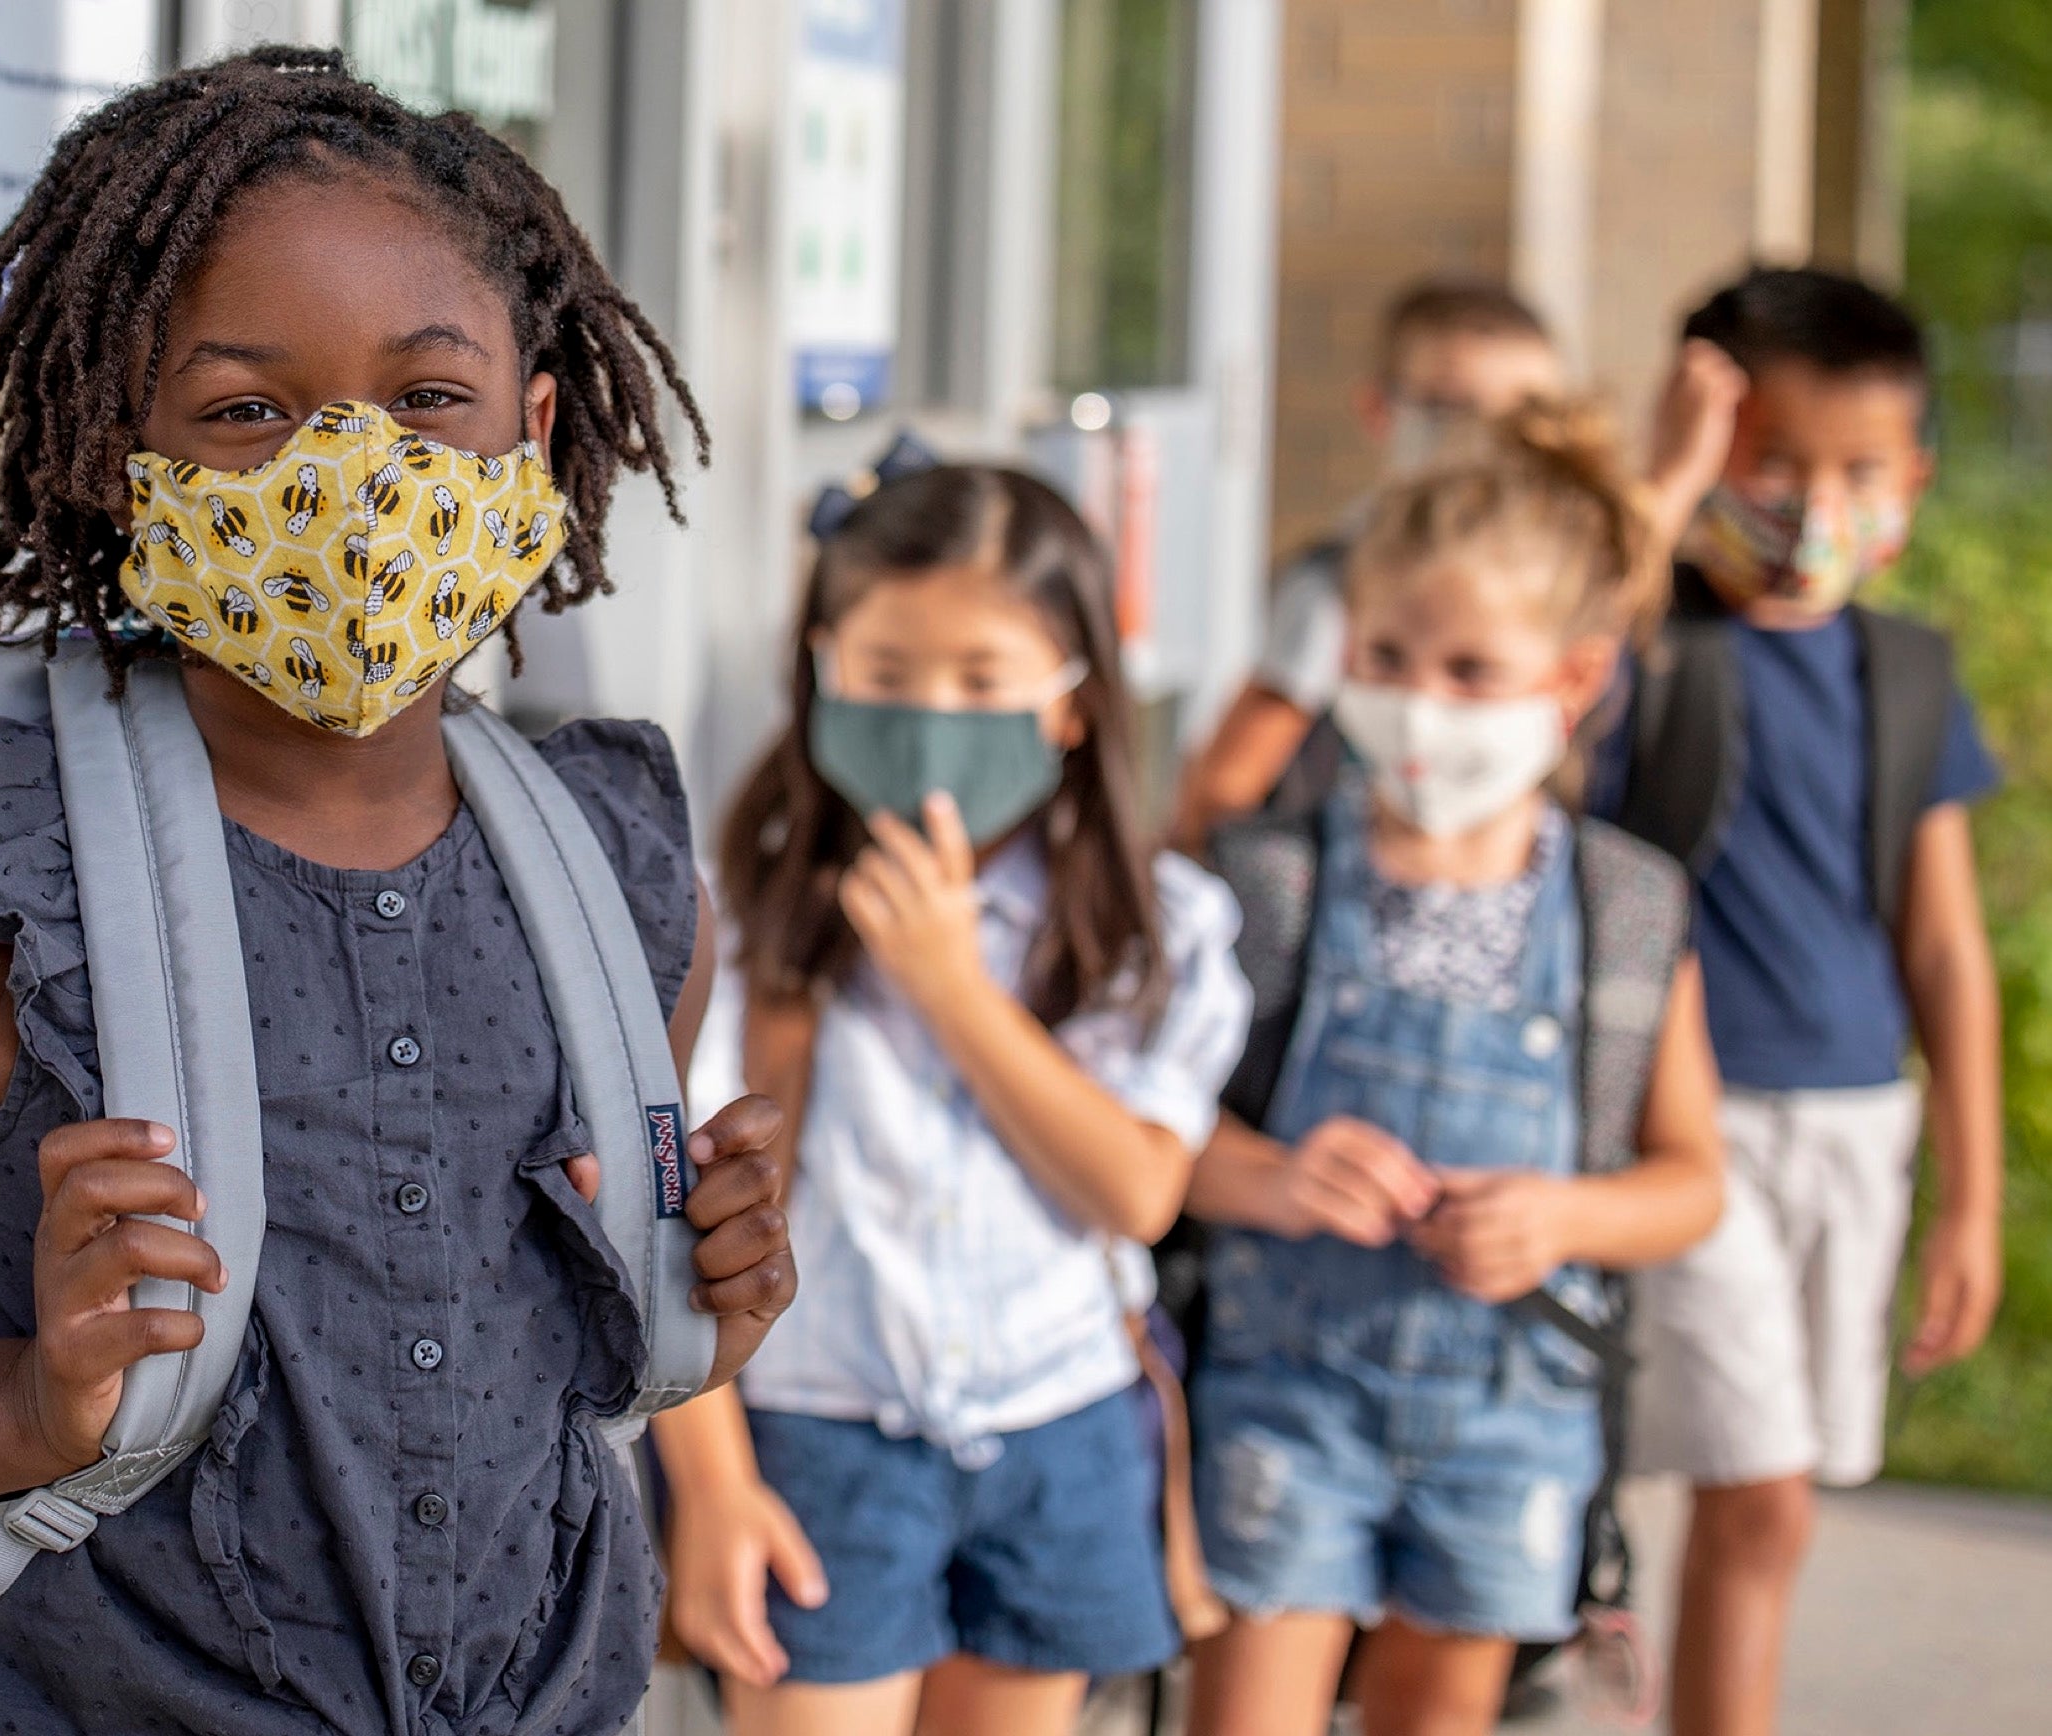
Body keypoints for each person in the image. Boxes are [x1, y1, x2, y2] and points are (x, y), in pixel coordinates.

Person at [0, 48, 797, 1736]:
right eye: (243, 412)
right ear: (115, 455)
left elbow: (523, 1365)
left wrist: (701, 1308)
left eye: (428, 398)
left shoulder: (616, 880)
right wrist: (19, 1400)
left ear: (539, 421)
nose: (349, 481)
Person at [654, 463, 1253, 1736]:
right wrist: (712, 1486)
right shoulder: (740, 919)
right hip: (820, 1436)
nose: (930, 716)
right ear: (818, 671)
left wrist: (950, 984)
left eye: (982, 682)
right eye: (884, 674)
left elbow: (1137, 1190)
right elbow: (677, 1228)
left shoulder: (1154, 929)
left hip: (1061, 1432)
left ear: (1073, 704)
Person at [1182, 404, 1726, 1736]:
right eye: (1386, 657)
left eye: (1471, 669)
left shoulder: (1626, 911)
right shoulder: (1269, 884)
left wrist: (1562, 1219)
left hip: (1509, 1417)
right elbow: (1154, 1141)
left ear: (1577, 680)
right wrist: (1272, 1176)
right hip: (1284, 1397)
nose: (1421, 703)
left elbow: (1690, 1182)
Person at [1590, 267, 2005, 1736]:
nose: (1810, 503)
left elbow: (1945, 949)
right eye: (1771, 461)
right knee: (1755, 1483)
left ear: (1912, 483)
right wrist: (1660, 478)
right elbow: (1564, 645)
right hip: (1684, 1132)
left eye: (1855, 471)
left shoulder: (1903, 672)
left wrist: (1970, 1197)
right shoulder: (1647, 645)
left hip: (1853, 1125)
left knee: (1772, 1502)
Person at [1170, 281, 1746, 840]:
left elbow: (1602, 584)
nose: (1492, 439)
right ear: (1380, 410)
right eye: (1455, 409)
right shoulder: (1340, 578)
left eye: (1527, 415)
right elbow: (1229, 783)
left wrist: (1679, 474)